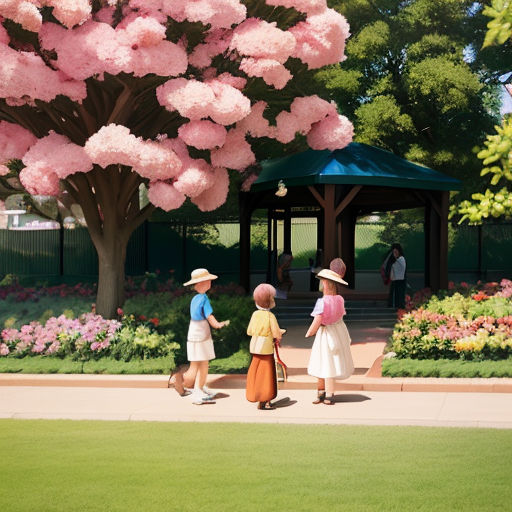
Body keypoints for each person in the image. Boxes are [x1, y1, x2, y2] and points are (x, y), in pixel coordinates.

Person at [169, 268, 229, 405]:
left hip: (194, 333)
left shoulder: (195, 299)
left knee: (196, 363)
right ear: (200, 284)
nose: (209, 283)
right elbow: (209, 316)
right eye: (207, 281)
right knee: (203, 364)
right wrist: (218, 325)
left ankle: (192, 385)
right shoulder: (204, 298)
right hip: (202, 334)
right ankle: (197, 390)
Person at [305, 267, 354, 405]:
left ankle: (324, 392)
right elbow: (340, 316)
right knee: (330, 362)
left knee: (323, 361)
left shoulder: (322, 302)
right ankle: (327, 393)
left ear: (325, 284)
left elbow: (318, 319)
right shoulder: (339, 299)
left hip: (325, 333)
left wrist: (310, 332)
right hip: (337, 332)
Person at [245, 283, 285, 410]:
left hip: (255, 348)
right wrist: (280, 333)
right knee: (267, 374)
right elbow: (276, 333)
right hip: (266, 349)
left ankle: (258, 397)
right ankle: (266, 400)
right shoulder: (270, 316)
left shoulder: (255, 315)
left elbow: (249, 331)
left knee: (256, 373)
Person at [388, 243, 406, 309]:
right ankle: (395, 305)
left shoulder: (401, 259)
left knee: (398, 293)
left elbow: (398, 268)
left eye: (396, 252)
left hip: (399, 280)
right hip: (396, 279)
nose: (394, 253)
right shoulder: (398, 260)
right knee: (396, 293)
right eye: (393, 252)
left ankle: (398, 305)